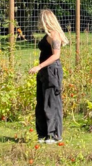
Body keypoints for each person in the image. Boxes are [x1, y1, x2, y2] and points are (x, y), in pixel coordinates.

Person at [29, 9, 69, 144]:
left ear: (46, 20)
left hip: (52, 71)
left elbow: (56, 55)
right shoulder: (48, 34)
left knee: (52, 103)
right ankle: (43, 134)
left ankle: (54, 135)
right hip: (44, 72)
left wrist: (39, 66)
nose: (39, 21)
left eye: (41, 19)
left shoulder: (54, 35)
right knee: (41, 102)